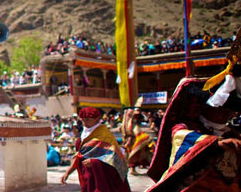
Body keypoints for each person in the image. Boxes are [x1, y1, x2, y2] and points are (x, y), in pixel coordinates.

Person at [146, 28, 241, 191]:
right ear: (205, 107)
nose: (227, 114)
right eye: (223, 109)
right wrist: (215, 143)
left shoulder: (231, 133)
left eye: (231, 110)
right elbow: (180, 137)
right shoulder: (186, 127)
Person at [61, 107, 130, 192]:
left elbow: (114, 158)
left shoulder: (104, 135)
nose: (85, 123)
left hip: (103, 177)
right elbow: (80, 156)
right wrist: (68, 172)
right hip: (89, 176)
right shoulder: (83, 136)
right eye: (83, 120)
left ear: (97, 119)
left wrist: (95, 162)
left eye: (88, 120)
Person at [121, 104, 153, 175]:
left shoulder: (126, 123)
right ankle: (132, 169)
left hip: (130, 140)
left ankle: (133, 169)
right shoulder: (130, 124)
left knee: (133, 154)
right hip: (133, 140)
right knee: (134, 154)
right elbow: (135, 133)